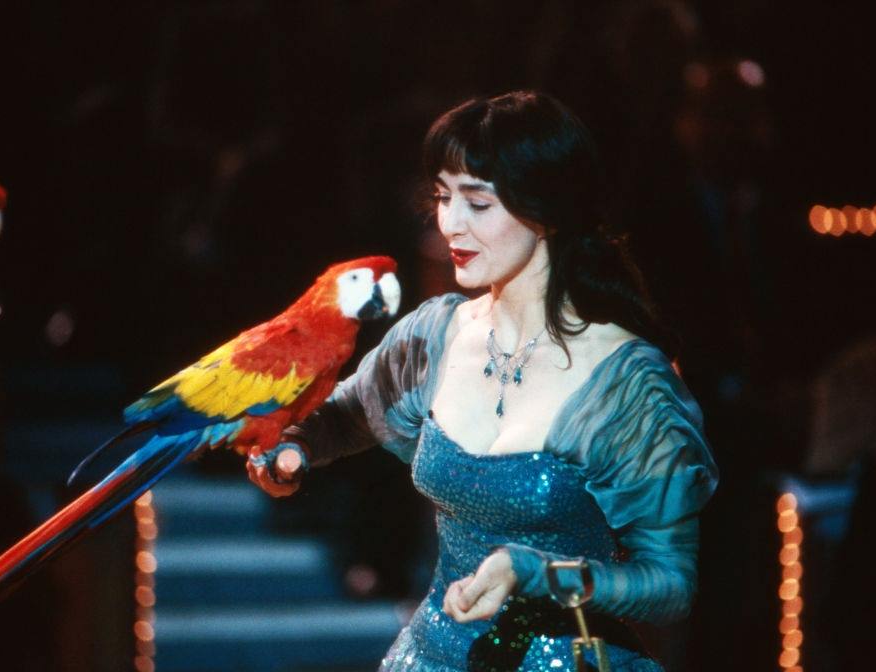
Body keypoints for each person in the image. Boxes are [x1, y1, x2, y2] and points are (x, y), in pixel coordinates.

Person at [246, 91, 718, 672]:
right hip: (429, 658)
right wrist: (291, 450)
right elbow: (343, 416)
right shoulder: (433, 335)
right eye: (444, 197)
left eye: (477, 203)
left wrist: (537, 574)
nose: (449, 223)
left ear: (546, 208)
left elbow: (669, 583)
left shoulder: (626, 383)